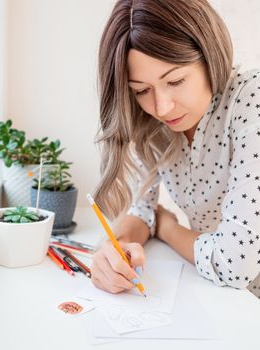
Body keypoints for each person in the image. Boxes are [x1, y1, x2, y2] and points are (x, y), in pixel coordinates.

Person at [91, 0, 260, 299]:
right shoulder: (154, 126)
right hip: (220, 302)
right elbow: (141, 211)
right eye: (141, 90)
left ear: (209, 55)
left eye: (176, 80)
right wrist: (116, 250)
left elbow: (235, 264)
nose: (161, 107)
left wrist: (167, 228)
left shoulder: (250, 101)